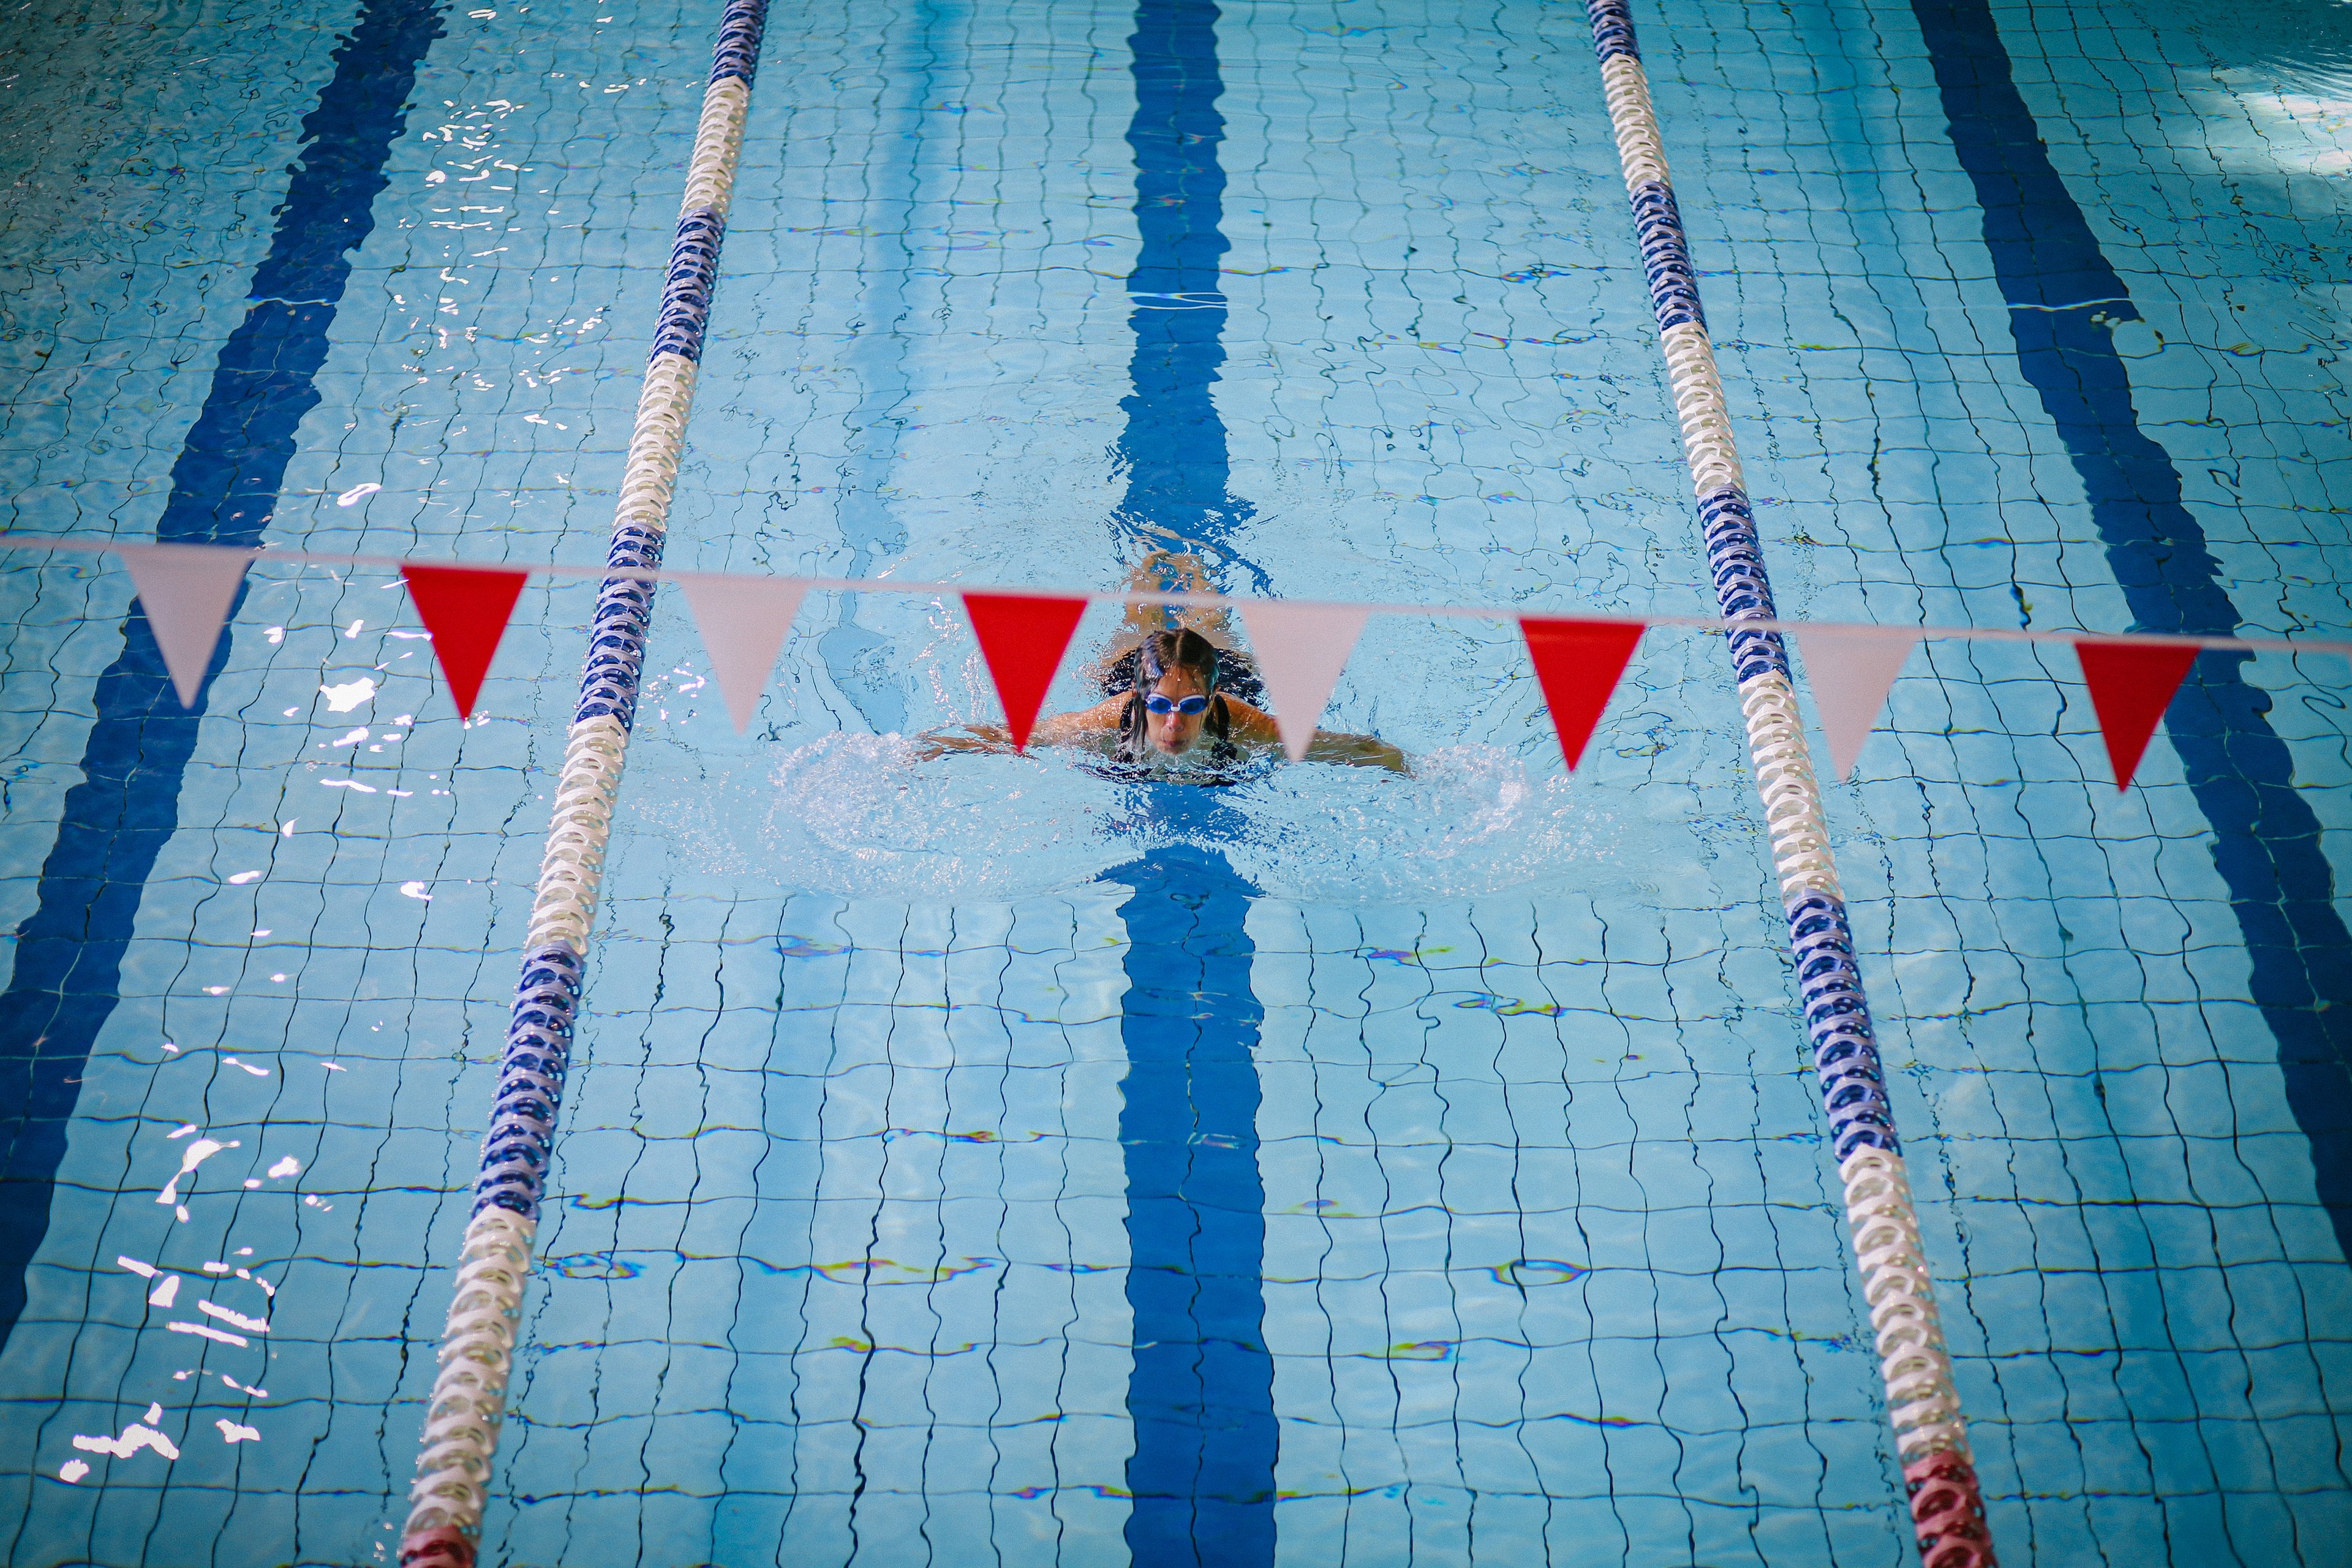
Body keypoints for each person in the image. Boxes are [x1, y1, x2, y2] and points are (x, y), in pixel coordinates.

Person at [918, 554, 1407, 776]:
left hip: (1219, 666)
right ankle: (1149, 566)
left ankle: (1195, 568)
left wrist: (1408, 769)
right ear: (1139, 700)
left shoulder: (1239, 721)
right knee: (1140, 615)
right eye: (1161, 706)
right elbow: (1014, 735)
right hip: (1139, 666)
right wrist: (932, 748)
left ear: (1211, 702)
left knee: (1208, 620)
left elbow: (1352, 747)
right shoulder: (1112, 718)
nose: (1175, 722)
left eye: (1193, 706)